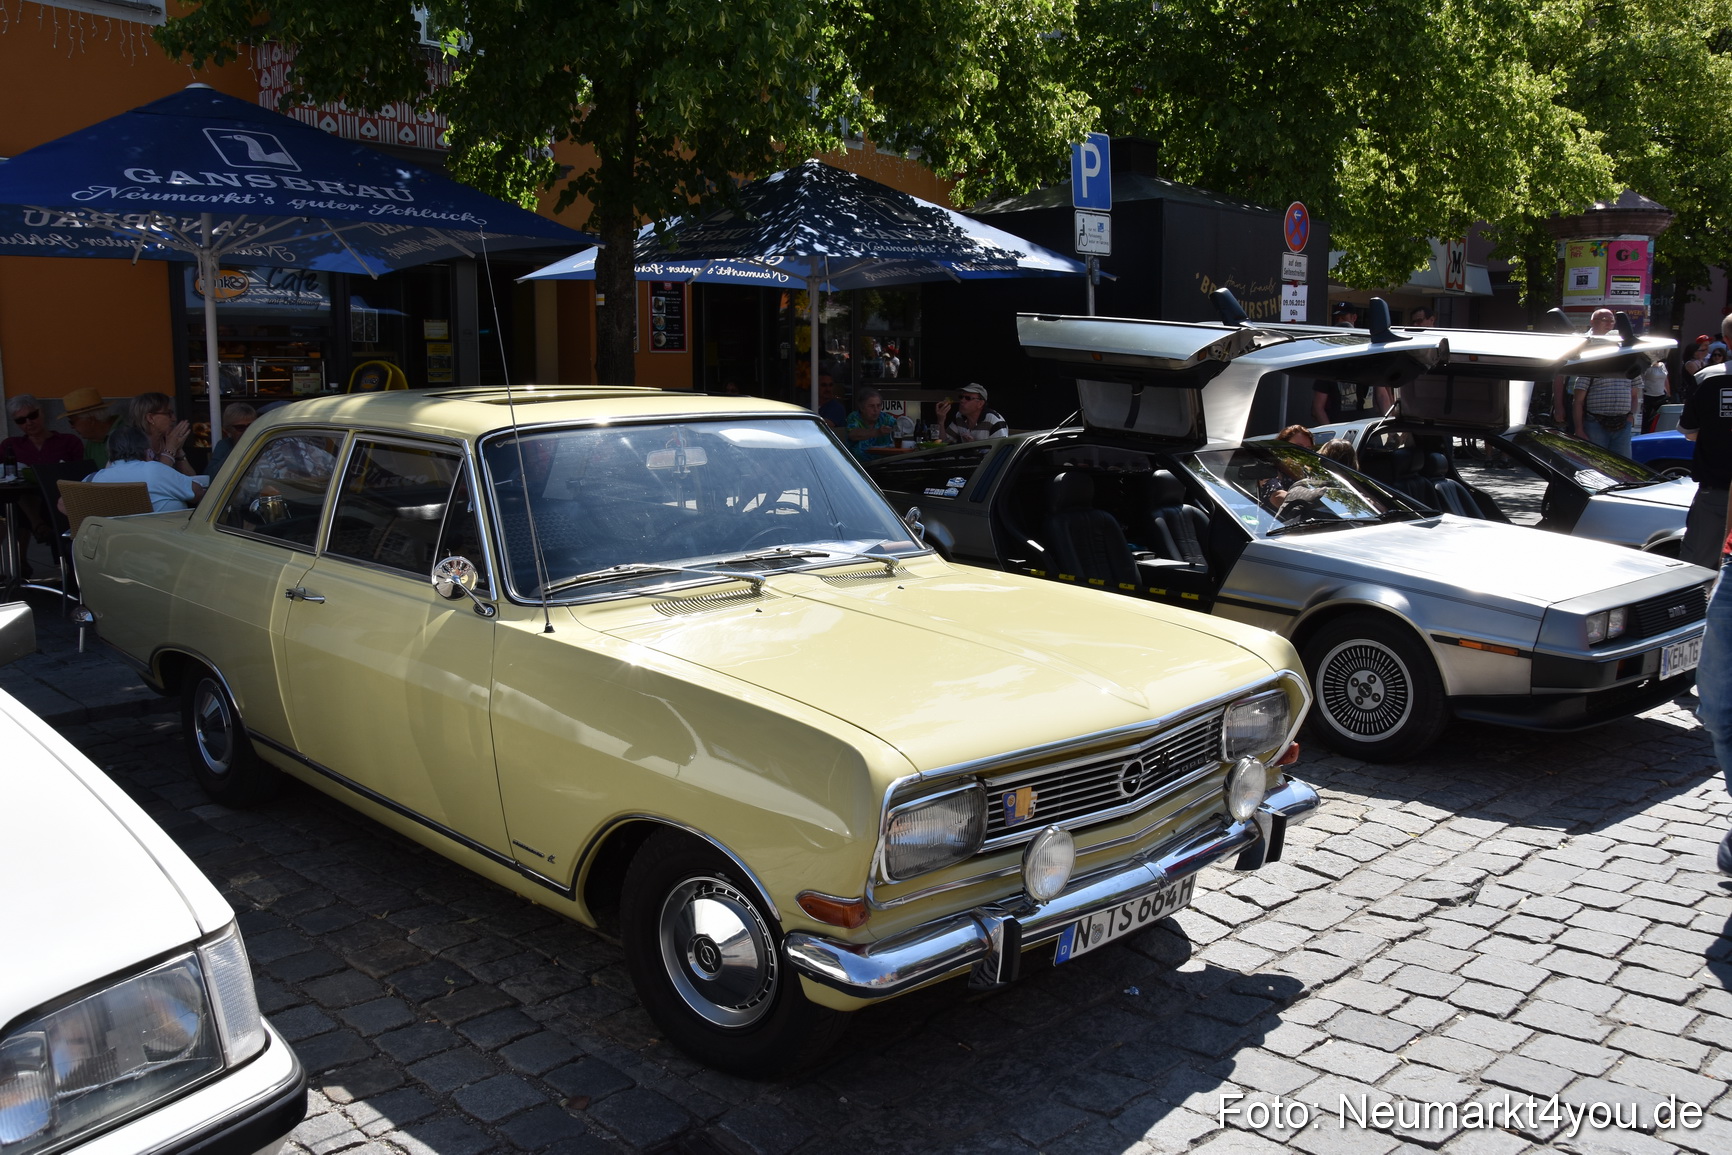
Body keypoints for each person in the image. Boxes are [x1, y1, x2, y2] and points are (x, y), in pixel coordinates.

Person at [1678, 315, 1732, 568]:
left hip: (1716, 488)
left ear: (1726, 341)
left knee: (1698, 568)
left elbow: (1688, 431)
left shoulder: (1707, 378)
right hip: (1715, 490)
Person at [79, 423, 206, 512]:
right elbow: (198, 493)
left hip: (113, 545)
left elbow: (63, 504)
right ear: (146, 449)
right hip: (163, 542)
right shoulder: (154, 470)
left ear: (110, 453)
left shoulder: (94, 479)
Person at [1553, 308, 1616, 425]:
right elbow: (1559, 376)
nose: (1609, 324)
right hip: (1576, 400)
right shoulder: (1578, 343)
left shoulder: (1617, 344)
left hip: (1603, 405)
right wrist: (1558, 406)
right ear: (1592, 322)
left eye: (1612, 321)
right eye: (1604, 320)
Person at [128, 392, 197, 477]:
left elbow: (192, 479)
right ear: (150, 418)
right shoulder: (133, 444)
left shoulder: (167, 439)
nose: (174, 419)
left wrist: (178, 451)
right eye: (169, 414)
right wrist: (170, 448)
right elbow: (157, 480)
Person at [60, 387, 118, 468]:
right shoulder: (91, 444)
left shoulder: (128, 432)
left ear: (90, 419)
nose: (71, 426)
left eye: (72, 422)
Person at [937, 384, 1008, 442]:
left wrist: (974, 446)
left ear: (980, 404)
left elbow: (1000, 452)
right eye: (961, 397)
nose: (962, 401)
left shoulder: (994, 421)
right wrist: (941, 421)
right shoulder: (960, 416)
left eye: (967, 398)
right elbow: (944, 443)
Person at [843, 386, 897, 462]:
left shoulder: (886, 418)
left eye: (878, 406)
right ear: (862, 408)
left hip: (885, 464)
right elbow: (853, 434)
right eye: (871, 406)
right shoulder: (854, 417)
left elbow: (901, 427)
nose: (876, 410)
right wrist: (877, 432)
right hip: (859, 466)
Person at [206, 403, 258, 477]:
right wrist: (237, 449)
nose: (247, 431)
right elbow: (211, 476)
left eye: (251, 426)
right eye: (240, 427)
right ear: (228, 430)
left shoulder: (266, 442)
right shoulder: (224, 445)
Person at [1640, 358, 1671, 432]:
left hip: (1661, 395)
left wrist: (1669, 393)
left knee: (1663, 416)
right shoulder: (1647, 366)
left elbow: (1666, 380)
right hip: (1648, 395)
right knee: (1645, 419)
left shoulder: (1662, 365)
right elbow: (1641, 379)